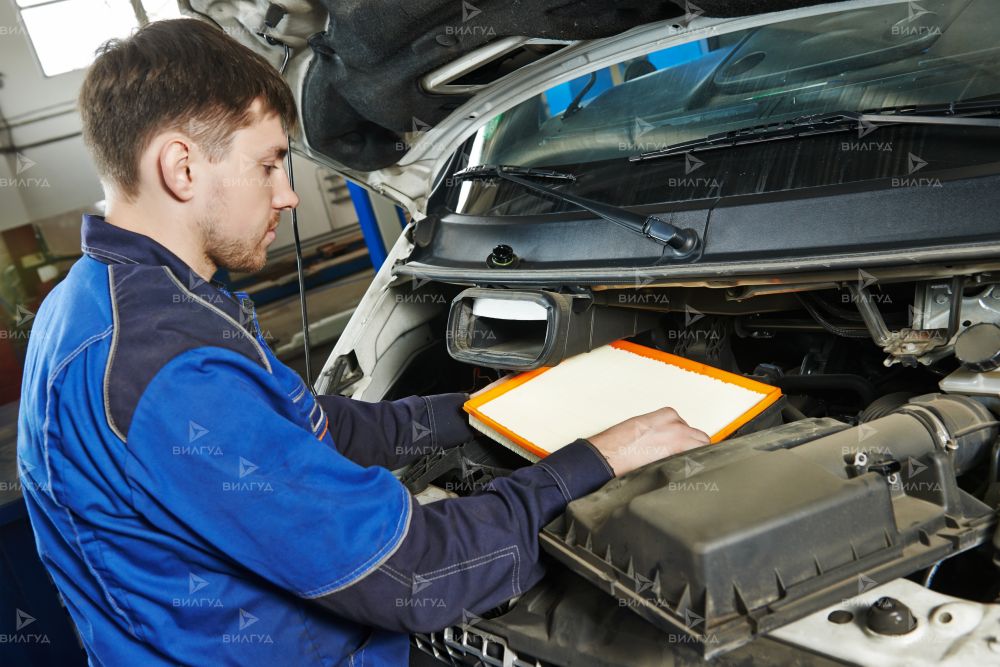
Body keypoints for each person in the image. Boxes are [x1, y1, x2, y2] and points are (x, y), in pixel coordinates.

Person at [16, 18, 710, 666]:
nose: (288, 195)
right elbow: (414, 577)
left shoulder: (97, 302)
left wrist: (482, 411)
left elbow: (313, 427)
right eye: (268, 164)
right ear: (182, 167)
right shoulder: (167, 364)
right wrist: (596, 460)